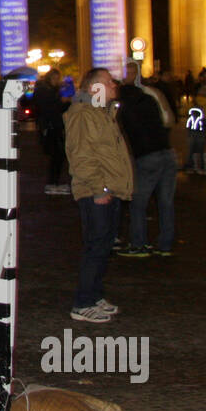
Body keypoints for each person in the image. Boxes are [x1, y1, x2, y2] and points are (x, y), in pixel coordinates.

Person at [64, 69, 134, 323]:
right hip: (97, 192)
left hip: (110, 189)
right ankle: (82, 303)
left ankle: (94, 295)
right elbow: (82, 157)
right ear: (94, 88)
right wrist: (98, 189)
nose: (114, 85)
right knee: (95, 246)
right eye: (108, 82)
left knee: (104, 246)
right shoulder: (83, 115)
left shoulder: (103, 113)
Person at [116, 78, 176, 257]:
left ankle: (138, 243)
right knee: (166, 203)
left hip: (148, 156)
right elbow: (166, 120)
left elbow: (122, 133)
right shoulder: (149, 100)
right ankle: (165, 245)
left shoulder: (125, 108)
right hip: (167, 153)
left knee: (138, 203)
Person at [32, 68, 70, 195]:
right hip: (50, 127)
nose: (57, 81)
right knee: (57, 156)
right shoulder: (45, 91)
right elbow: (52, 109)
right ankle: (52, 183)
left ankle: (54, 182)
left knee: (57, 156)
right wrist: (63, 102)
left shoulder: (48, 90)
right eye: (55, 79)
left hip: (52, 127)